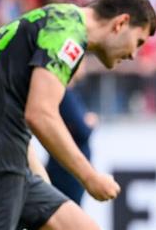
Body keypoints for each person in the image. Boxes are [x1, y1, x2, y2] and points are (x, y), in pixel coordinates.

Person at [0, 0, 156, 230]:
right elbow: (40, 114)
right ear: (121, 23)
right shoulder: (67, 33)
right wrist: (90, 177)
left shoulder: (53, 19)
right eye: (138, 41)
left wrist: (40, 180)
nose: (134, 54)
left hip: (4, 155)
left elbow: (13, 108)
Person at [46, 60, 99, 205]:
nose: (84, 67)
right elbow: (82, 130)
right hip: (67, 170)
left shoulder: (70, 94)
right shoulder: (65, 94)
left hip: (69, 169)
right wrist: (89, 122)